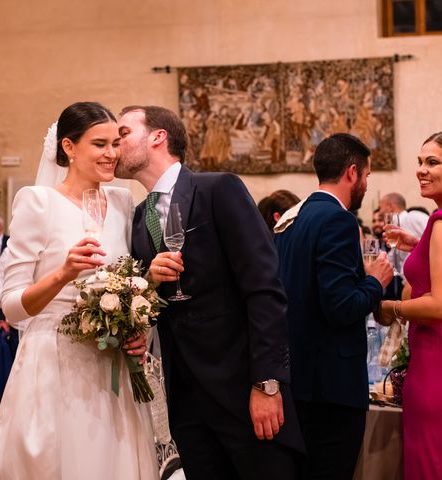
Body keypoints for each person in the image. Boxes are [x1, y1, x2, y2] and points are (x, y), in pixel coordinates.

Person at [115, 105, 304, 480]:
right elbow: (153, 304)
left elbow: (264, 289)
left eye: (122, 133)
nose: (114, 145)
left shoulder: (218, 189)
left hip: (241, 389)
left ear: (157, 136)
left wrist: (266, 383)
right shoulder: (138, 218)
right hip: (186, 401)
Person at [0, 102, 158, 479]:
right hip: (53, 361)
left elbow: (131, 281)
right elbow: (11, 307)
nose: (112, 154)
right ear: (68, 147)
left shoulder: (122, 202)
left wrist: (134, 327)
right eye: (99, 144)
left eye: (116, 143)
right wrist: (63, 274)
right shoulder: (37, 202)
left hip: (110, 367)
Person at [274, 133, 393, 479]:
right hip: (332, 388)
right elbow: (340, 306)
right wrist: (376, 281)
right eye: (368, 176)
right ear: (352, 172)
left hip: (299, 380)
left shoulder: (292, 220)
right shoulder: (338, 220)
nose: (367, 185)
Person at [379, 131, 442, 480]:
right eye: (419, 162)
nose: (421, 170)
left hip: (438, 364)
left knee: (435, 467)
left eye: (433, 162)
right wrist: (417, 246)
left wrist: (390, 307)